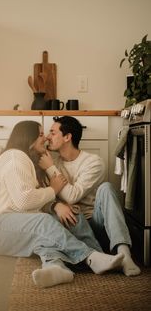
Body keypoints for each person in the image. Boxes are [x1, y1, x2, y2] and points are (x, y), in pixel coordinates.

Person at [0, 120, 125, 288]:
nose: (45, 138)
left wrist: (54, 205)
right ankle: (92, 256)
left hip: (4, 223)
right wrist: (53, 189)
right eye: (40, 134)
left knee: (45, 236)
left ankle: (55, 267)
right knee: (43, 223)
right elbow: (24, 201)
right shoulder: (15, 157)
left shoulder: (28, 160)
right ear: (27, 138)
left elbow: (33, 200)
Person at [38, 116, 141, 277]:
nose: (47, 137)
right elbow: (44, 198)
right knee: (58, 218)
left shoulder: (93, 162)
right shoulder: (50, 163)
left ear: (67, 137)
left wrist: (51, 169)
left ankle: (125, 254)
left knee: (106, 188)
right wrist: (58, 205)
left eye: (52, 132)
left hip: (96, 223)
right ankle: (94, 259)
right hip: (71, 224)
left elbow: (72, 196)